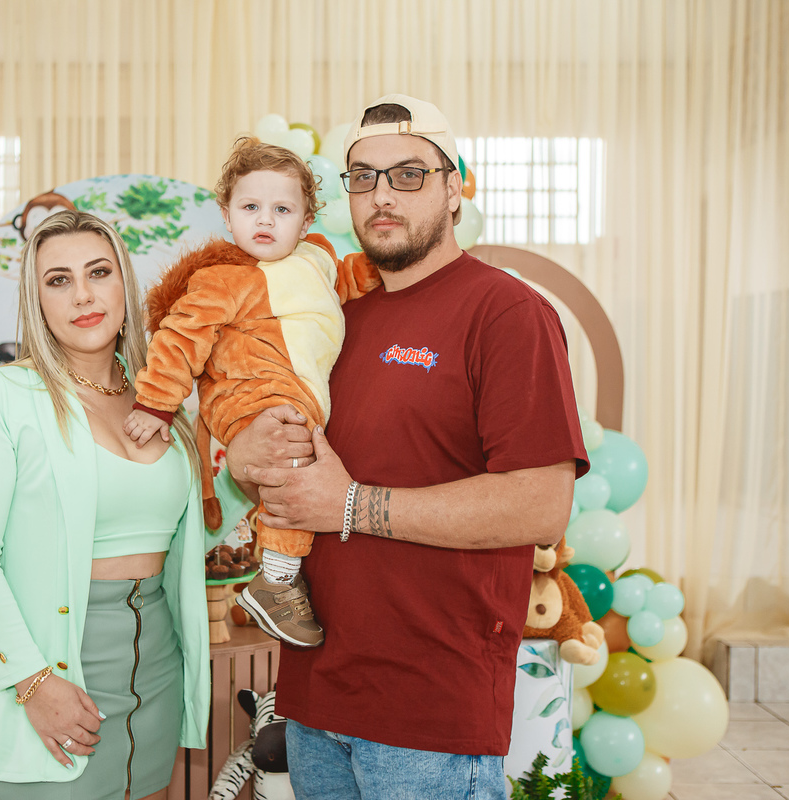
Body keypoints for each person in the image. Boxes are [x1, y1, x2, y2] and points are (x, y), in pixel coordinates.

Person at [225, 95, 590, 799]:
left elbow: (541, 506)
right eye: (363, 177)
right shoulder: (332, 317)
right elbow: (284, 468)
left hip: (430, 717)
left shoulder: (506, 313)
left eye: (409, 174)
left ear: (455, 188)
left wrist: (352, 506)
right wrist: (246, 452)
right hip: (314, 699)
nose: (382, 195)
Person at [0, 210, 248, 800]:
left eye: (98, 272)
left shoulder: (163, 400)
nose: (82, 294)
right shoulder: (4, 397)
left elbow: (196, 534)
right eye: (58, 280)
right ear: (37, 301)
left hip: (156, 670)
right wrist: (32, 682)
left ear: (124, 285)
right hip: (54, 676)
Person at [122, 137, 379, 648]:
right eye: (250, 207)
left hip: (296, 391)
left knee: (307, 463)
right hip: (247, 392)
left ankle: (280, 566)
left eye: (282, 209)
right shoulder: (225, 279)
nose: (265, 220)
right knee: (291, 459)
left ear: (306, 221)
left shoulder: (318, 258)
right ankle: (277, 579)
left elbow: (346, 281)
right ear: (227, 215)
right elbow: (180, 336)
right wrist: (156, 402)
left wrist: (386, 267)